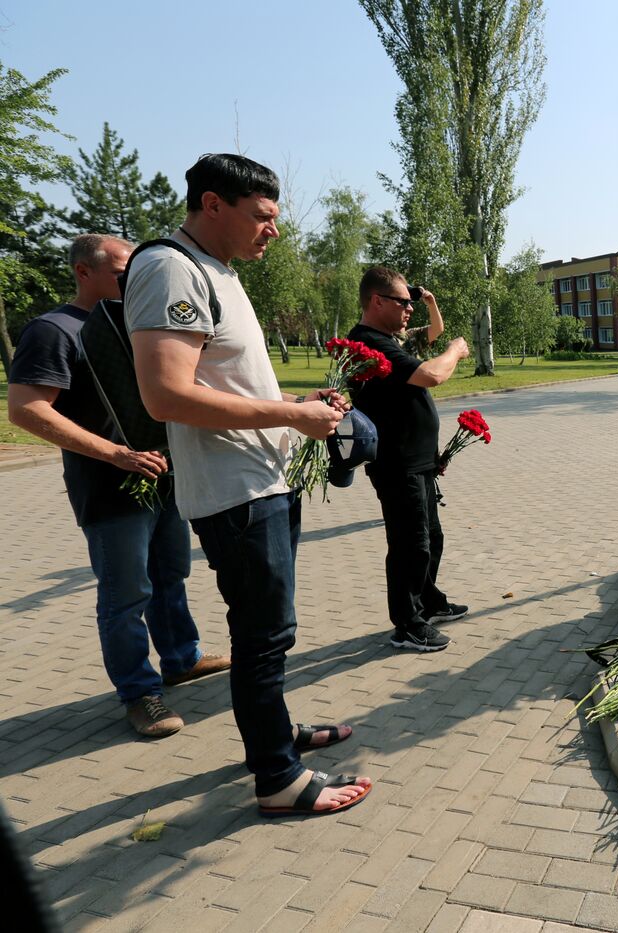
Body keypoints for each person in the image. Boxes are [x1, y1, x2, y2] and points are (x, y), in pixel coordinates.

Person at [126, 153, 370, 816]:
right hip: (235, 494)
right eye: (262, 216)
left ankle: (275, 734)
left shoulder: (219, 271)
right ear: (212, 204)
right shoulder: (170, 268)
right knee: (262, 637)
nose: (274, 231)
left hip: (263, 480)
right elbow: (166, 395)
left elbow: (229, 384)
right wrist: (291, 416)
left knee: (270, 633)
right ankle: (278, 779)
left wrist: (295, 402)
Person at [8, 234, 230, 738]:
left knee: (170, 576)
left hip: (162, 476)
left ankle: (181, 658)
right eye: (121, 273)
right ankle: (138, 693)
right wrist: (115, 454)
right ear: (83, 272)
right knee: (126, 596)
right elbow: (26, 409)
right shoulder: (54, 330)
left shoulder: (134, 323)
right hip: (110, 488)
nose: (133, 281)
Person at [347, 267, 472, 651]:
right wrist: (454, 350)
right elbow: (431, 375)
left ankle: (428, 602)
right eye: (402, 302)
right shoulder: (368, 343)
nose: (409, 308)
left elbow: (426, 345)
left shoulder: (388, 339)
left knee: (430, 538)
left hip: (417, 461)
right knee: (409, 544)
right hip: (396, 463)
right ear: (377, 301)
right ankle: (407, 623)